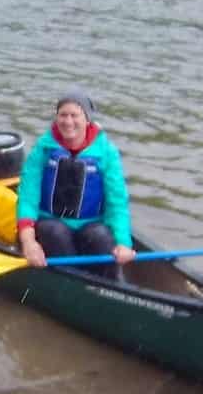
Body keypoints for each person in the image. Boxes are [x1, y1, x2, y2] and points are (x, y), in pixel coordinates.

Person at [16, 89, 136, 281]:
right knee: (56, 233)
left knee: (102, 238)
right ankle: (72, 282)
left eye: (75, 115)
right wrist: (28, 242)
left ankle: (109, 283)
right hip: (51, 223)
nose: (68, 121)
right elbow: (28, 197)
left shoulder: (106, 152)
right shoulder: (43, 148)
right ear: (56, 118)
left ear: (87, 119)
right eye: (63, 115)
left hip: (90, 224)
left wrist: (123, 243)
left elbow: (117, 202)